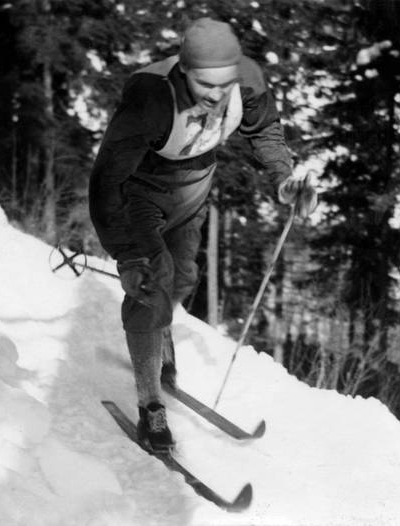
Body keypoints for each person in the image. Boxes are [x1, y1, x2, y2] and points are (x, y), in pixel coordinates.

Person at [89, 18, 317, 453]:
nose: (217, 95)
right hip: (141, 190)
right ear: (183, 71)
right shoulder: (150, 96)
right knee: (151, 284)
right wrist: (127, 255)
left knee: (183, 279)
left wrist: (284, 178)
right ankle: (149, 403)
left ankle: (161, 333)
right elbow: (107, 181)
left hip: (194, 189)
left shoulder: (245, 77)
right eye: (204, 85)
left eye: (224, 84)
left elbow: (264, 129)